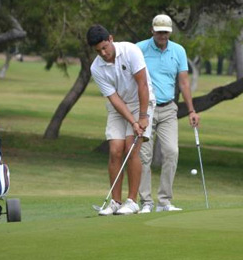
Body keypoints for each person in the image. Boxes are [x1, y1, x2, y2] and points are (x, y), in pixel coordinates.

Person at [86, 24, 156, 216]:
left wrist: (141, 117)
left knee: (131, 148)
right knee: (115, 150)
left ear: (110, 38)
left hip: (141, 101)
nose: (103, 53)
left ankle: (132, 201)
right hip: (119, 107)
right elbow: (114, 99)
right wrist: (132, 122)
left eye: (104, 47)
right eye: (98, 50)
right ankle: (116, 202)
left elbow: (142, 84)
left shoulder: (131, 51)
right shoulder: (96, 68)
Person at [137, 14, 200, 213]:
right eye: (159, 31)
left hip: (168, 109)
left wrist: (191, 110)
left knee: (172, 152)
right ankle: (146, 202)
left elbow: (183, 82)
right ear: (152, 30)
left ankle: (164, 201)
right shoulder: (139, 49)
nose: (162, 35)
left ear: (170, 32)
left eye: (166, 32)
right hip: (145, 111)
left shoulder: (178, 51)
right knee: (144, 156)